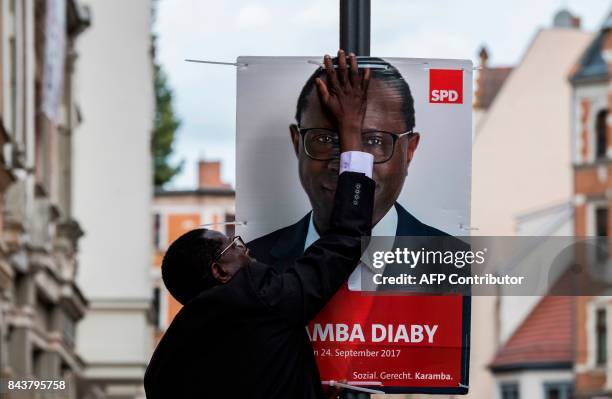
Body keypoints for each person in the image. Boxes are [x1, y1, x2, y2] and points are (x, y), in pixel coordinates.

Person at [144, 52, 376, 399]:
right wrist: (353, 132)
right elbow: (345, 239)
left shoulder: (165, 366)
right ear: (221, 272)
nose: (246, 248)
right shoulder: (260, 299)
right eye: (233, 246)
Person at [248, 55, 451, 274]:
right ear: (297, 143)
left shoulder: (449, 264)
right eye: (325, 139)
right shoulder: (252, 264)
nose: (346, 168)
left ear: (409, 150)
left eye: (374, 140)